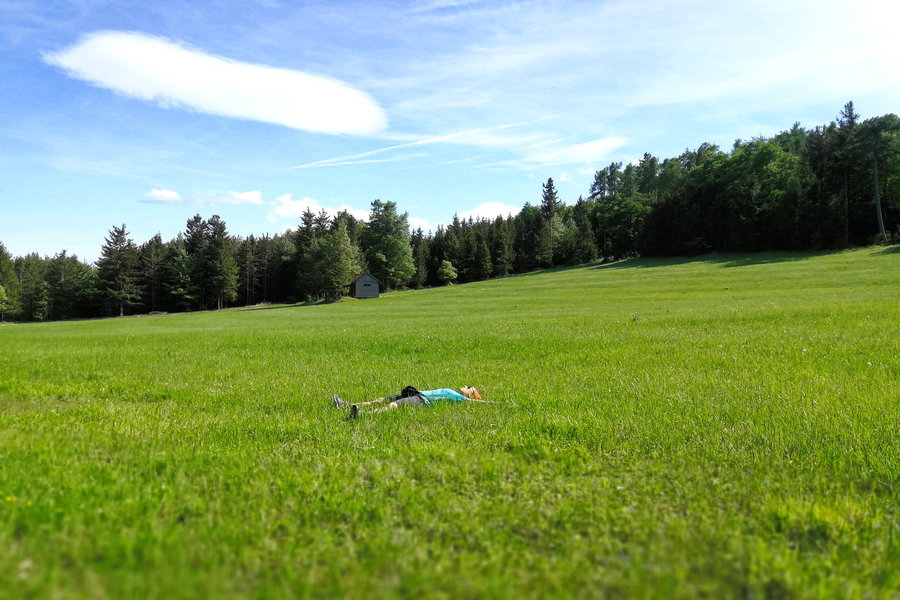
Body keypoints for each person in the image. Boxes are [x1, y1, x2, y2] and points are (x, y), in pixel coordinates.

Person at [333, 385, 485, 418]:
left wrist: (495, 403)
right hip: (416, 393)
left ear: (470, 395)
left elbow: (476, 403)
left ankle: (362, 415)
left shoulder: (460, 399)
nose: (465, 386)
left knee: (392, 405)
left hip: (421, 400)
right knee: (381, 399)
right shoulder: (455, 395)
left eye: (469, 388)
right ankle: (346, 405)